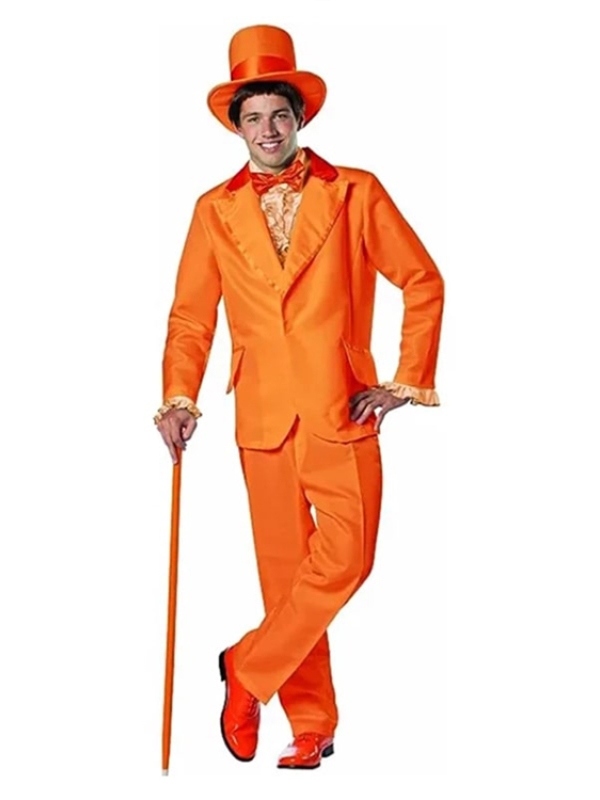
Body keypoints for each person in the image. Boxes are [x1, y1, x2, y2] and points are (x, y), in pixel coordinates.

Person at [154, 24, 444, 770]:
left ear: (300, 116)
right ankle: (310, 725)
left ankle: (247, 668)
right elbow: (192, 317)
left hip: (341, 406)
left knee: (348, 560)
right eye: (253, 118)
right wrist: (179, 396)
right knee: (286, 581)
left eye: (279, 114)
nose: (268, 129)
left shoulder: (355, 192)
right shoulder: (212, 211)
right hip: (261, 418)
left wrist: (405, 381)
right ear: (236, 126)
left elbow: (422, 279)